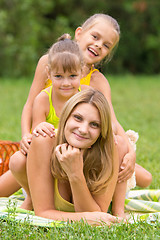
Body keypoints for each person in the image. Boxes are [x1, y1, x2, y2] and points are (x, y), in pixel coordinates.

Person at [19, 13, 152, 187]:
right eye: (95, 37)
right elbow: (30, 104)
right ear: (79, 33)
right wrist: (25, 135)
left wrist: (130, 154)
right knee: (17, 165)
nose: (98, 45)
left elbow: (112, 121)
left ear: (108, 54)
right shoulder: (49, 62)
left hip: (79, 143)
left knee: (144, 178)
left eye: (106, 45)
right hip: (44, 140)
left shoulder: (98, 81)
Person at [16, 88, 122, 224]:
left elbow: (98, 214)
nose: (83, 130)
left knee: (123, 146)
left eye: (94, 125)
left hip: (117, 176)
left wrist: (75, 173)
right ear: (66, 117)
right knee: (17, 161)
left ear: (101, 132)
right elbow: (43, 212)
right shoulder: (45, 140)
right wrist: (87, 218)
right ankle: (30, 198)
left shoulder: (107, 149)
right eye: (78, 118)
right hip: (33, 171)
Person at [2, 34, 86, 199]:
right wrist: (32, 132)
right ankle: (33, 196)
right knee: (17, 161)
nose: (66, 83)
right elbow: (39, 135)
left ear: (81, 72)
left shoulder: (85, 98)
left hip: (75, 159)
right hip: (45, 161)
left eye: (72, 76)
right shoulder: (43, 99)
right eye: (59, 76)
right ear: (48, 73)